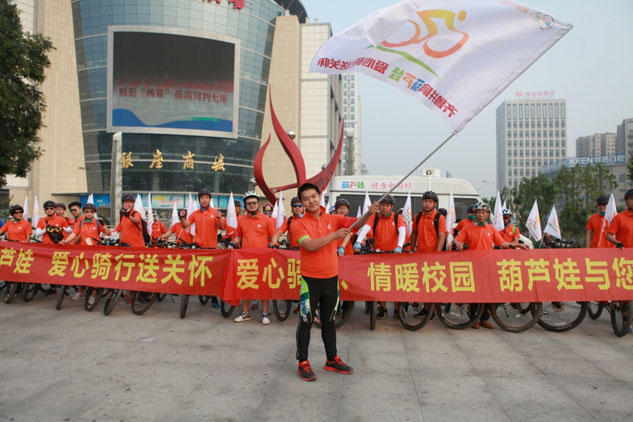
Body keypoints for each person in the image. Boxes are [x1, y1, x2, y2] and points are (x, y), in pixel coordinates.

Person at [293, 182, 378, 381]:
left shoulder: (333, 218)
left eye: (314, 196)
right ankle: (303, 362)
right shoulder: (298, 224)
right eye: (306, 199)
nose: (311, 201)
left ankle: (331, 359)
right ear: (302, 203)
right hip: (310, 282)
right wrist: (333, 235)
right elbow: (310, 245)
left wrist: (369, 213)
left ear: (319, 196)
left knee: (329, 321)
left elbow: (356, 224)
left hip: (331, 280)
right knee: (306, 321)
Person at [453, 202, 524, 329]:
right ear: (475, 214)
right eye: (478, 212)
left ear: (487, 215)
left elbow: (502, 243)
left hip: (488, 266)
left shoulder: (491, 229)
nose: (481, 215)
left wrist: (517, 245)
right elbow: (456, 239)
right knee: (475, 295)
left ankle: (484, 319)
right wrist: (458, 243)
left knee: (492, 294)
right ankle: (474, 319)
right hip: (474, 267)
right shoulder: (468, 228)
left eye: (483, 213)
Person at [354, 194, 405, 319]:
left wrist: (399, 246)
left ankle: (397, 309)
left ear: (392, 206)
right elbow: (366, 228)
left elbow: (402, 231)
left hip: (394, 256)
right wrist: (359, 241)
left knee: (396, 284)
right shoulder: (375, 217)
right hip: (379, 255)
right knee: (381, 283)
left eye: (387, 205)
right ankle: (382, 308)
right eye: (382, 205)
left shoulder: (397, 217)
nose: (384, 208)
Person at [231, 191, 276, 324]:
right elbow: (238, 236)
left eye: (254, 203)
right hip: (246, 258)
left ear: (258, 204)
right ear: (245, 205)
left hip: (263, 258)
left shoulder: (266, 220)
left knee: (264, 286)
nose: (252, 205)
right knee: (246, 284)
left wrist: (274, 244)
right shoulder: (241, 220)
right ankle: (245, 312)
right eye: (249, 203)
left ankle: (265, 313)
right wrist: (233, 243)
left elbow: (273, 235)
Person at [61, 203, 112, 302]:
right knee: (80, 272)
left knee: (94, 274)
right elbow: (74, 234)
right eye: (87, 211)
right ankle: (80, 292)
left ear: (94, 213)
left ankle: (93, 295)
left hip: (95, 253)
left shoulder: (98, 222)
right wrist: (66, 241)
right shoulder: (80, 223)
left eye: (91, 212)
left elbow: (109, 233)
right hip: (83, 252)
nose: (89, 213)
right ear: (84, 212)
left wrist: (104, 226)